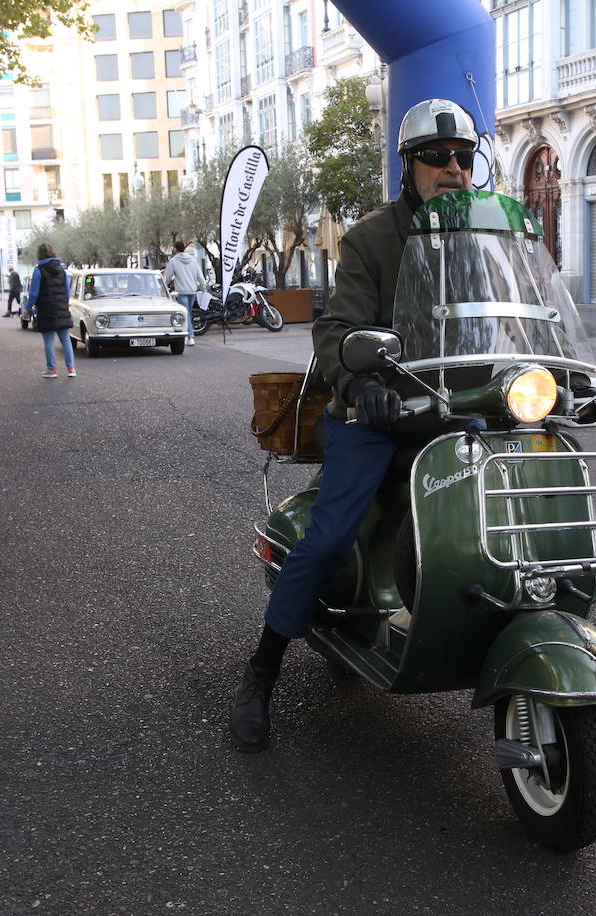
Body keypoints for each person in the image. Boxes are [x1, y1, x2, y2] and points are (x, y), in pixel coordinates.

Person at [230, 98, 479, 752]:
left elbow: (522, 314)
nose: (452, 168)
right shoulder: (373, 240)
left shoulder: (485, 236)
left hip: (456, 404)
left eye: (464, 157)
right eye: (437, 157)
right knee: (332, 534)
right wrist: (362, 381)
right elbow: (335, 330)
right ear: (410, 166)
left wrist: (570, 377)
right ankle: (262, 671)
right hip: (378, 413)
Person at [26, 243, 75, 378]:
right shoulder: (61, 270)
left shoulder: (38, 270)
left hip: (46, 309)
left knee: (49, 341)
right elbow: (67, 291)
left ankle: (51, 369)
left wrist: (28, 308)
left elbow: (34, 293)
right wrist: (64, 304)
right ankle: (71, 368)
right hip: (61, 308)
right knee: (65, 339)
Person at [162, 242, 205, 345]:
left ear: (176, 249)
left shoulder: (173, 261)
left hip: (181, 291)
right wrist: (203, 287)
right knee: (188, 313)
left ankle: (190, 336)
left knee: (186, 314)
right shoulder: (193, 260)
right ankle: (187, 336)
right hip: (192, 291)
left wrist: (162, 287)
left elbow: (167, 277)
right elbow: (200, 275)